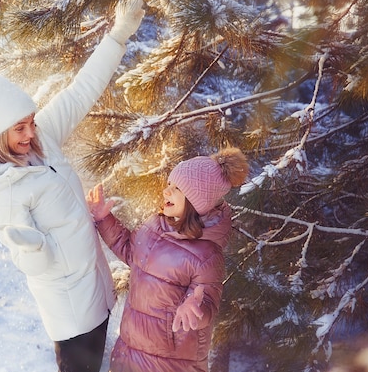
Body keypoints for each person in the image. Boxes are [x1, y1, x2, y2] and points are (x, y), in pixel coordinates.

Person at [0, 0, 145, 372]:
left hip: (96, 289)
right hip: (71, 312)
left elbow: (80, 92)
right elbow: (35, 267)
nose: (29, 133)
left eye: (30, 122)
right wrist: (32, 247)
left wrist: (118, 36)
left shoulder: (43, 140)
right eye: (19, 129)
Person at [86, 147, 249, 372]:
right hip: (130, 351)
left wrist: (196, 308)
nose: (166, 191)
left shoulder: (206, 255)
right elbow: (133, 254)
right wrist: (104, 219)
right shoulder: (156, 224)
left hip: (169, 363)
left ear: (195, 201)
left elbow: (208, 303)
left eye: (176, 189)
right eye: (169, 184)